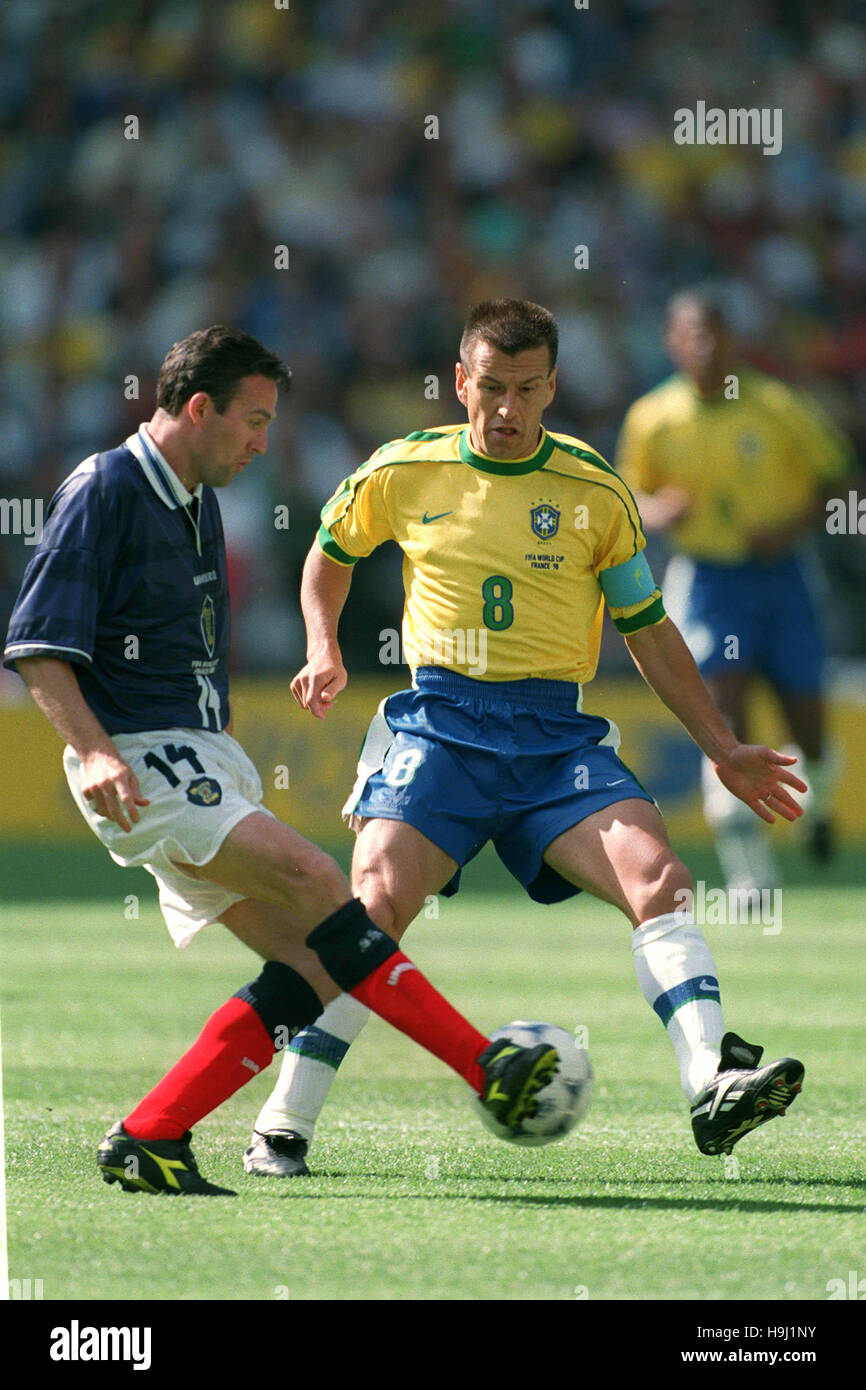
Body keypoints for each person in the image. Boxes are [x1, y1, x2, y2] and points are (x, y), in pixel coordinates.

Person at [244, 298, 806, 1180]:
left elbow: (649, 628)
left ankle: (710, 1084)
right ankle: (284, 1119)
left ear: (553, 388)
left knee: (661, 879)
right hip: (441, 723)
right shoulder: (404, 469)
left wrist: (723, 747)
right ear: (460, 381)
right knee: (375, 906)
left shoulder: (592, 488)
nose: (505, 409)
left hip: (555, 737)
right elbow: (328, 553)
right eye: (490, 388)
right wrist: (322, 647)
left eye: (526, 390)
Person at [3, 325, 565, 1196]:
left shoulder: (195, 495)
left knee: (318, 961)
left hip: (200, 759)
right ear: (199, 408)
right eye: (254, 420)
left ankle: (152, 1133)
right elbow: (39, 648)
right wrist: (94, 753)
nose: (263, 441)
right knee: (320, 884)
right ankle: (485, 1065)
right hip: (148, 763)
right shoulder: (105, 488)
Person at [616, 289, 854, 892]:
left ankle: (818, 806)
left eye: (714, 333)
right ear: (671, 341)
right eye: (690, 334)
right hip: (709, 580)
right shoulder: (653, 418)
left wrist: (794, 525)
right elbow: (624, 502)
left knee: (809, 722)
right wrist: (657, 510)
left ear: (731, 339)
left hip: (784, 578)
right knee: (727, 720)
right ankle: (750, 878)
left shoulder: (777, 405)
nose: (703, 346)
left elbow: (839, 479)